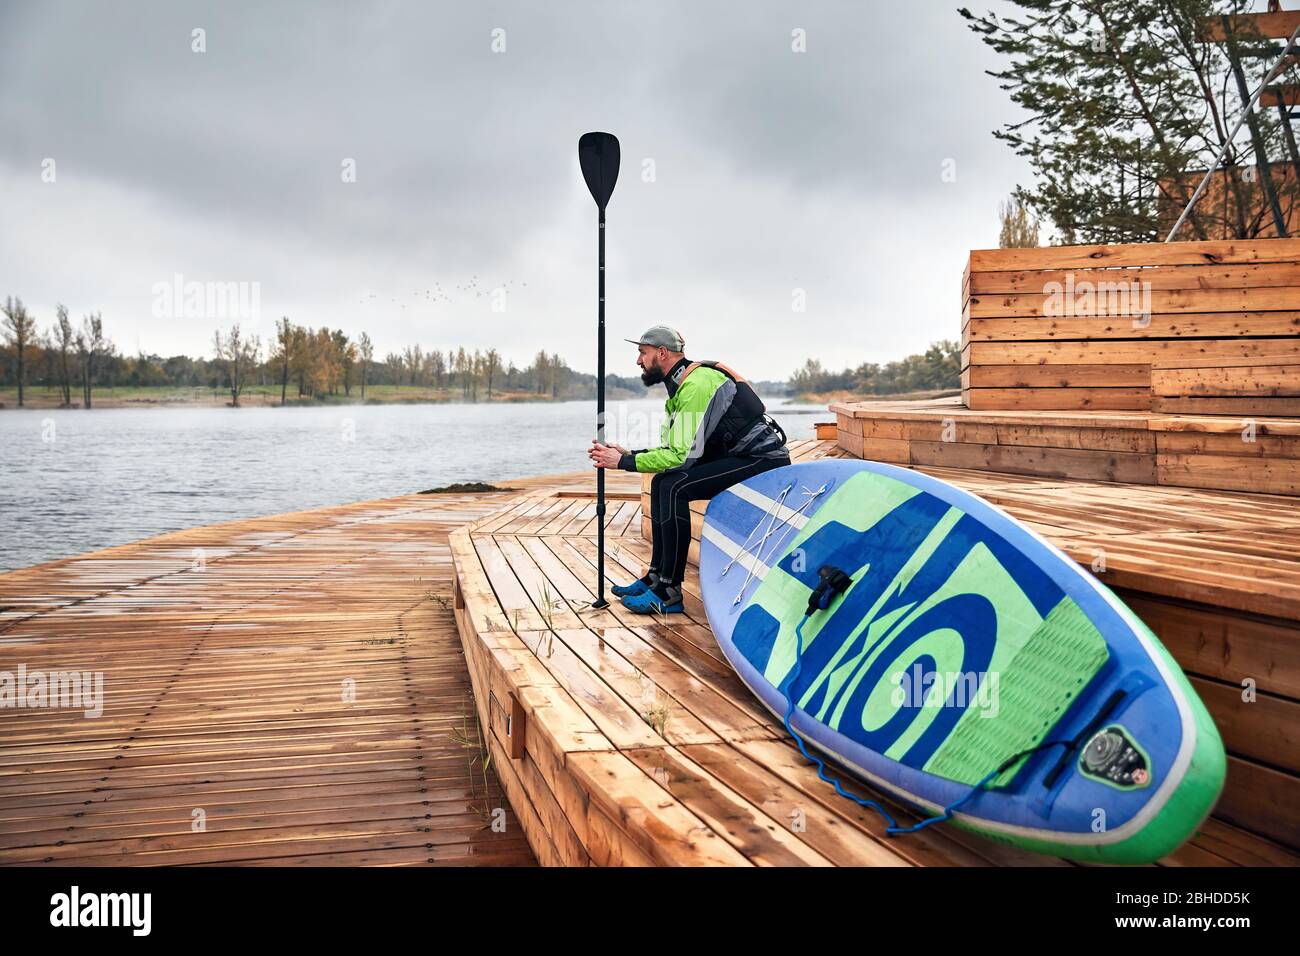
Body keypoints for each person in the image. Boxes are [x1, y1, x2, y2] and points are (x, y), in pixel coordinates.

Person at [588, 325, 791, 613]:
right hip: (740, 456)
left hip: (763, 460)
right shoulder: (681, 386)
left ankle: (670, 591)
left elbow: (677, 455)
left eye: (642, 353)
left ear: (662, 353)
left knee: (674, 487)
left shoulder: (696, 384)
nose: (638, 361)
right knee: (662, 483)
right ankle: (656, 578)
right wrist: (631, 454)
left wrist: (622, 463)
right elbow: (676, 451)